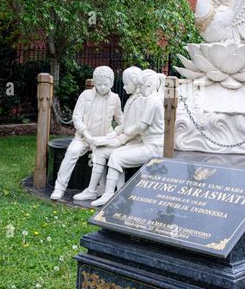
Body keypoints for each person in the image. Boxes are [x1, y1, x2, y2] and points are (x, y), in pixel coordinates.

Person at [91, 69, 165, 207]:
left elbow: (141, 125)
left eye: (141, 86)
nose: (139, 89)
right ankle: (116, 193)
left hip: (154, 147)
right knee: (116, 154)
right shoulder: (149, 100)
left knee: (117, 157)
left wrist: (128, 130)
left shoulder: (152, 101)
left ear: (148, 85)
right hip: (148, 144)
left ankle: (110, 194)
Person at [72, 66, 144, 202]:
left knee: (109, 152)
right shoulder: (132, 100)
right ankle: (93, 190)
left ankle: (110, 192)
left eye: (126, 83)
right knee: (99, 151)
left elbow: (135, 129)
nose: (123, 87)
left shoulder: (140, 101)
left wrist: (113, 138)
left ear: (135, 82)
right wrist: (112, 137)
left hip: (135, 143)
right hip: (126, 140)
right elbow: (125, 125)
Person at [50, 66, 122, 200]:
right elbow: (76, 118)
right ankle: (59, 188)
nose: (102, 87)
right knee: (71, 152)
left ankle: (100, 188)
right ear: (94, 82)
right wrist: (87, 135)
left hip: (103, 139)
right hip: (83, 138)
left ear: (111, 83)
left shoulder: (115, 98)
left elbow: (121, 122)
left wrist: (111, 136)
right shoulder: (85, 95)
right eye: (99, 84)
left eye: (106, 84)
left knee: (104, 156)